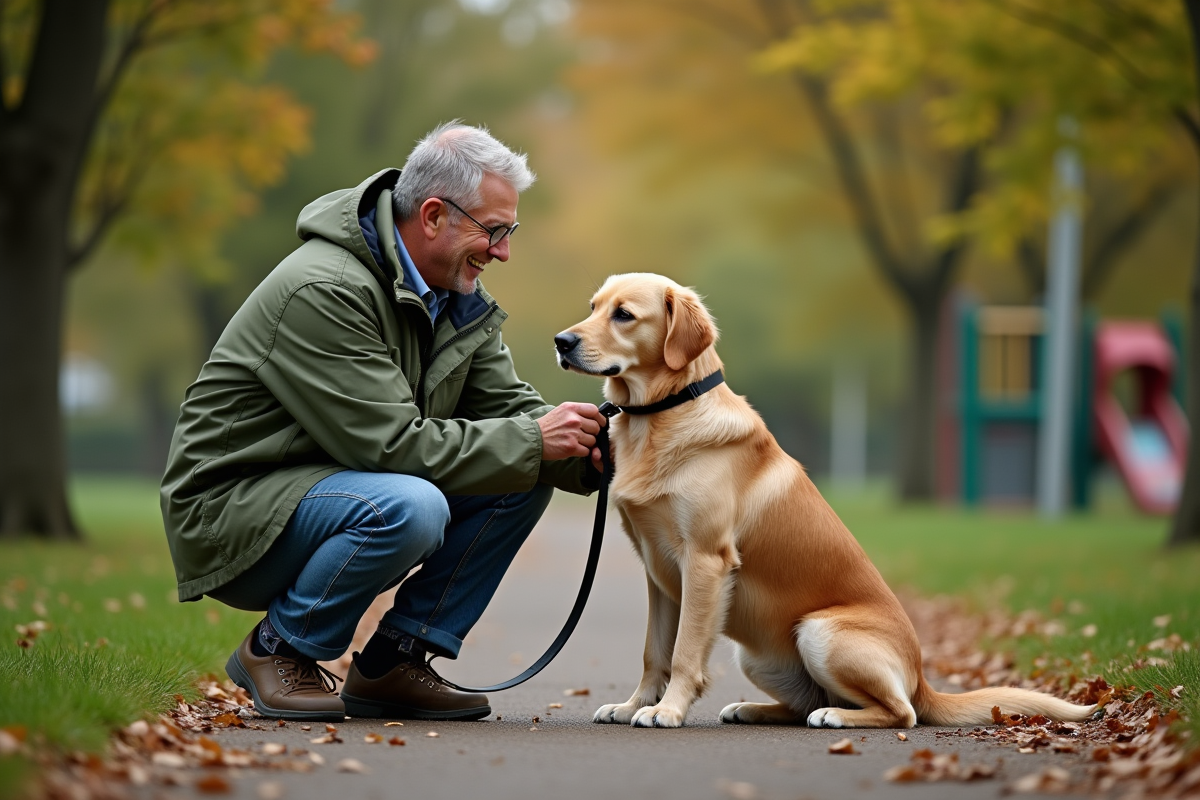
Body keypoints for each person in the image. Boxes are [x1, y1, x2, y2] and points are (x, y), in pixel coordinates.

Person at [160, 122, 607, 722]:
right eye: (494, 231)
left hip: (331, 488)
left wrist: (601, 450)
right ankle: (278, 649)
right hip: (233, 508)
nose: (503, 251)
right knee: (413, 503)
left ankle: (395, 662)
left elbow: (510, 413)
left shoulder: (456, 297)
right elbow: (391, 446)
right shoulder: (324, 289)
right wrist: (535, 438)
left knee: (525, 468)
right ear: (431, 217)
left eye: (510, 231)